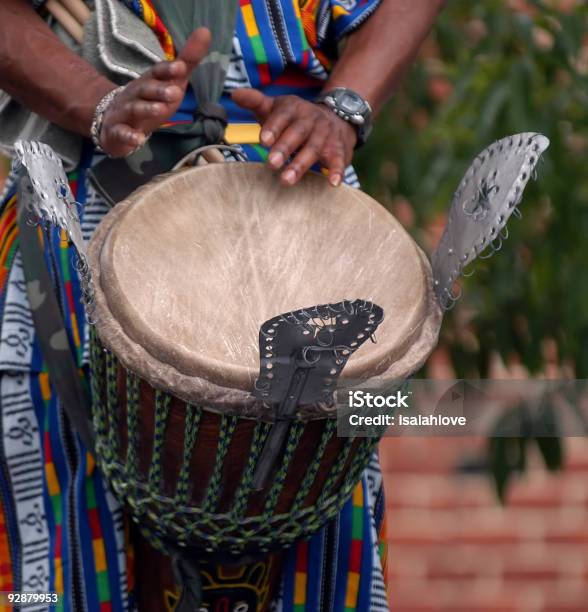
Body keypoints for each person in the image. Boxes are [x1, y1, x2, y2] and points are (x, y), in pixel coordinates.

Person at [0, 0, 445, 610]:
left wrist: (342, 108)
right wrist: (97, 102)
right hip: (82, 193)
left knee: (320, 507)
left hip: (296, 195)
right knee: (63, 538)